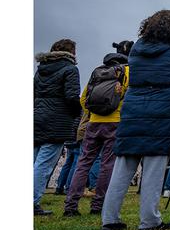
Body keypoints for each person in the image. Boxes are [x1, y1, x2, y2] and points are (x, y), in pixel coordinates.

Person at [100, 12, 170, 230]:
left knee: (123, 167)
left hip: (134, 107)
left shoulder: (137, 48)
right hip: (162, 109)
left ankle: (109, 219)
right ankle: (149, 220)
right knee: (154, 169)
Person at [64, 42, 131, 217]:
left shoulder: (98, 71)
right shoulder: (127, 72)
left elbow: (83, 99)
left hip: (93, 123)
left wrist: (93, 113)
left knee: (83, 163)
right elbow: (130, 98)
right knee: (107, 164)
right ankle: (98, 205)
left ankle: (70, 205)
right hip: (115, 122)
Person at [34, 38, 82, 216]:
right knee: (44, 164)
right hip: (57, 119)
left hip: (37, 117)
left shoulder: (40, 71)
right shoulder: (70, 69)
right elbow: (71, 96)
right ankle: (32, 201)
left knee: (34, 160)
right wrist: (77, 113)